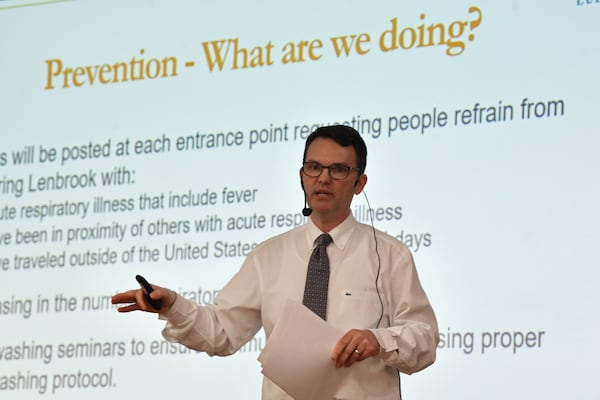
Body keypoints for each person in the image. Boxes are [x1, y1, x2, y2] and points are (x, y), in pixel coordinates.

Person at [112, 125, 438, 399]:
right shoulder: (268, 256)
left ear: (359, 183)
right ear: (302, 175)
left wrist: (377, 340)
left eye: (338, 170)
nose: (323, 179)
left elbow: (424, 339)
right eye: (314, 167)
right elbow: (222, 333)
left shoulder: (391, 255)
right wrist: (171, 305)